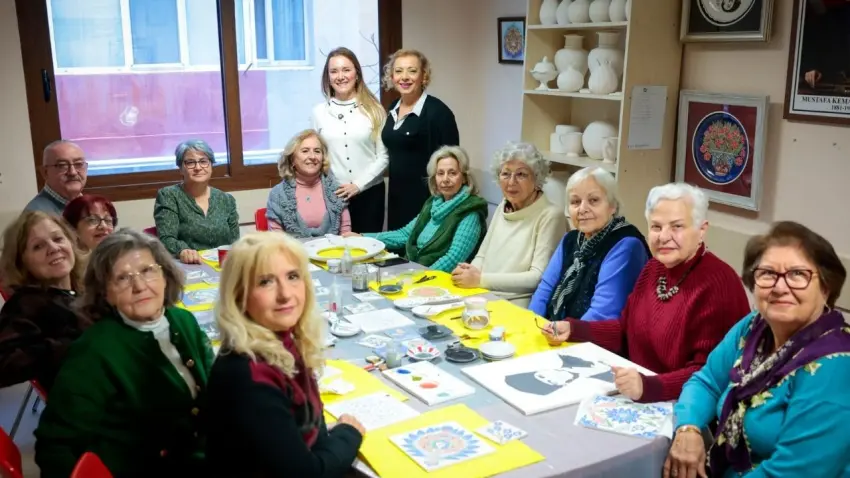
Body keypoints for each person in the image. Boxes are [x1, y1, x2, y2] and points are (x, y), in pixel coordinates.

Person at [666, 221, 850, 478]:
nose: (780, 287)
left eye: (798, 274)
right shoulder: (754, 327)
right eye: (768, 273)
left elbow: (795, 472)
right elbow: (706, 382)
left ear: (826, 287)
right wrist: (688, 428)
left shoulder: (835, 364)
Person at [541, 183, 751, 403]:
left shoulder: (719, 283)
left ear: (702, 230)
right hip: (641, 393)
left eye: (677, 226)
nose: (664, 237)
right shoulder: (654, 268)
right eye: (656, 227)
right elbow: (625, 330)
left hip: (687, 408)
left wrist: (649, 386)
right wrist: (574, 329)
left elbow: (710, 374)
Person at [34, 229, 212, 477]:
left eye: (148, 271)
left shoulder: (182, 320)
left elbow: (214, 387)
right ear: (106, 293)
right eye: (122, 278)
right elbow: (56, 445)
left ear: (165, 275)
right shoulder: (93, 352)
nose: (139, 286)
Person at [205, 232, 365, 476]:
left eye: (292, 276)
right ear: (239, 296)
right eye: (265, 282)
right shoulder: (248, 375)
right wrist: (348, 434)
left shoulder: (283, 340)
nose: (285, 294)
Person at [451, 142, 565, 306]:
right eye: (506, 174)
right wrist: (469, 272)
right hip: (482, 295)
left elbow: (537, 277)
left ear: (537, 179)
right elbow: (482, 256)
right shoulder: (504, 205)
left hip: (515, 304)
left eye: (521, 174)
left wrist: (480, 279)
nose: (511, 182)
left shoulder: (551, 215)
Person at [528, 167, 649, 321]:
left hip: (590, 339)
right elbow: (544, 290)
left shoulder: (627, 244)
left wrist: (561, 335)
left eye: (593, 200)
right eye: (575, 202)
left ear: (612, 206)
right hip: (556, 331)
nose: (582, 209)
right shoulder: (571, 239)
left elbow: (603, 313)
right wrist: (531, 325)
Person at [346, 146, 487, 273]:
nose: (445, 179)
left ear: (464, 178)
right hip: (415, 269)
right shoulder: (433, 204)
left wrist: (418, 277)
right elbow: (404, 234)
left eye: (452, 173)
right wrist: (363, 237)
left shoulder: (470, 212)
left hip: (438, 280)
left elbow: (453, 259)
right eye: (440, 173)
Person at [0, 211, 89, 391]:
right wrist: (69, 344)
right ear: (21, 261)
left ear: (71, 242)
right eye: (38, 246)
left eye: (58, 239)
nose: (53, 248)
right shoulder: (27, 302)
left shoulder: (82, 292)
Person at [311, 47, 389, 233]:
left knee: (367, 249)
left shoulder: (375, 110)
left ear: (357, 73)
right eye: (334, 71)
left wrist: (358, 185)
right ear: (327, 77)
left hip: (370, 194)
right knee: (335, 251)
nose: (340, 76)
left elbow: (384, 156)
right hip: (333, 195)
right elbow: (316, 156)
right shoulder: (319, 113)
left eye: (346, 70)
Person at [382, 49, 460, 230]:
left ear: (423, 76)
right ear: (392, 76)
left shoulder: (438, 113)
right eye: (399, 71)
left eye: (412, 71)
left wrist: (442, 203)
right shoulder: (393, 107)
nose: (405, 77)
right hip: (396, 197)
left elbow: (452, 163)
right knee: (398, 252)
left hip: (427, 200)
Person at [154, 140, 240, 264]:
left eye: (203, 161)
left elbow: (234, 242)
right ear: (180, 168)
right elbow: (166, 238)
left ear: (211, 166)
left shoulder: (226, 199)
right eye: (190, 163)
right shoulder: (169, 196)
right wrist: (182, 250)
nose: (198, 168)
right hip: (187, 265)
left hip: (224, 265)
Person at [266, 129, 352, 238]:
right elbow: (276, 239)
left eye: (317, 151)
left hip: (333, 252)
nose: (312, 157)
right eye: (305, 151)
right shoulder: (277, 194)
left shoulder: (337, 190)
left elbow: (346, 234)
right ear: (292, 159)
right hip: (293, 253)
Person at [25, 140, 88, 214]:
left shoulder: (86, 204)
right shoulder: (39, 216)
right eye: (62, 165)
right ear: (45, 173)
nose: (72, 172)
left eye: (79, 164)